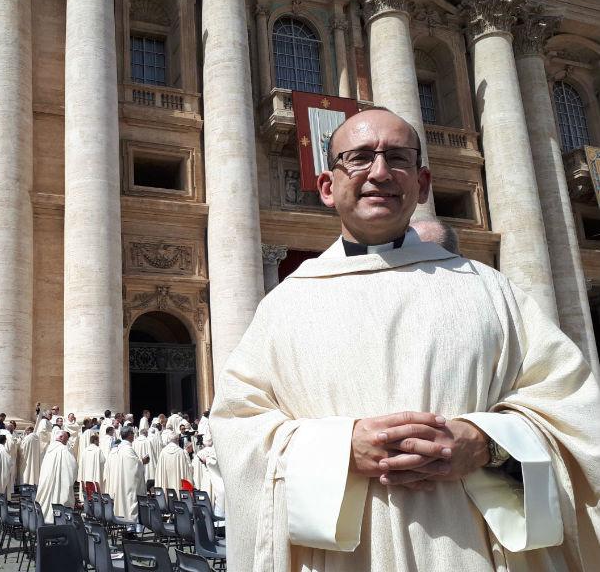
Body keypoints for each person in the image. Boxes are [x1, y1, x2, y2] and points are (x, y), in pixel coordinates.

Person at [210, 107, 600, 571]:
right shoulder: (284, 304)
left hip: (472, 546)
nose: (379, 172)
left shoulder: (492, 290)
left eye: (397, 158)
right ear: (328, 187)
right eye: (358, 158)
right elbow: (238, 427)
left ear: (423, 183)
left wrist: (487, 443)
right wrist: (341, 448)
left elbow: (575, 410)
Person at [35, 429, 77, 523]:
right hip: (59, 483)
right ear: (61, 437)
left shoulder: (49, 450)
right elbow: (72, 468)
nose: (66, 442)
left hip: (47, 482)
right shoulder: (64, 449)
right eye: (66, 439)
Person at [105, 427, 147, 522]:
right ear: (129, 435)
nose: (133, 435)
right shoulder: (127, 449)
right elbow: (133, 465)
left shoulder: (120, 448)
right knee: (130, 502)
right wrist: (142, 461)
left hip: (123, 480)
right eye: (132, 433)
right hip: (128, 482)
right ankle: (131, 524)